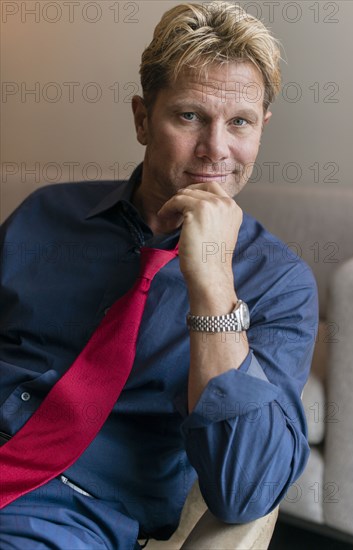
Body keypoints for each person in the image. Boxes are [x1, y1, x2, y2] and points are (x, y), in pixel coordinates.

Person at [0, 2, 318, 548]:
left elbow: (245, 491)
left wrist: (213, 279)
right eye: (190, 116)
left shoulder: (279, 284)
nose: (217, 149)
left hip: (66, 517)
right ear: (143, 118)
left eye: (239, 122)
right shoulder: (44, 215)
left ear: (261, 128)